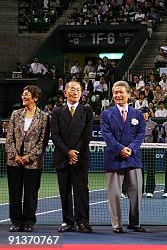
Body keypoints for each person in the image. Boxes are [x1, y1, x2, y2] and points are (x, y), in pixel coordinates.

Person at [101, 81, 147, 234]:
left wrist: (131, 150)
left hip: (133, 159)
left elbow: (140, 134)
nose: (118, 95)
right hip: (114, 158)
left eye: (121, 92)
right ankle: (117, 225)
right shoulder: (106, 114)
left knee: (136, 193)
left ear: (129, 94)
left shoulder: (138, 114)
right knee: (114, 195)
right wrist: (120, 149)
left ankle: (135, 222)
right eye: (115, 92)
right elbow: (107, 135)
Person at [50, 81, 94, 233]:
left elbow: (86, 135)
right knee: (65, 191)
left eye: (78, 90)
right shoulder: (56, 111)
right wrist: (67, 152)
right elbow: (55, 135)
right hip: (62, 158)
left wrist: (75, 153)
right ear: (65, 93)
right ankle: (68, 222)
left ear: (81, 93)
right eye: (72, 89)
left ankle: (83, 222)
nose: (75, 92)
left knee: (81, 191)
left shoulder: (87, 111)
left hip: (80, 158)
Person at [5, 85, 49, 232]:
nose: (24, 97)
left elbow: (43, 142)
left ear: (35, 98)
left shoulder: (43, 117)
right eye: (23, 94)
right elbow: (9, 138)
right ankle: (16, 222)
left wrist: (29, 157)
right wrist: (15, 156)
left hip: (33, 164)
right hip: (14, 162)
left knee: (31, 194)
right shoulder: (15, 114)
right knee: (14, 193)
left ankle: (29, 222)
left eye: (27, 94)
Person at [141, 107, 158, 198]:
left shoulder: (154, 124)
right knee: (139, 171)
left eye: (145, 113)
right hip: (139, 150)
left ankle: (150, 190)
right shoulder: (136, 124)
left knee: (151, 170)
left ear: (148, 114)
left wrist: (153, 147)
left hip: (150, 150)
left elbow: (156, 138)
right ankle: (140, 190)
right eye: (142, 113)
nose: (143, 114)